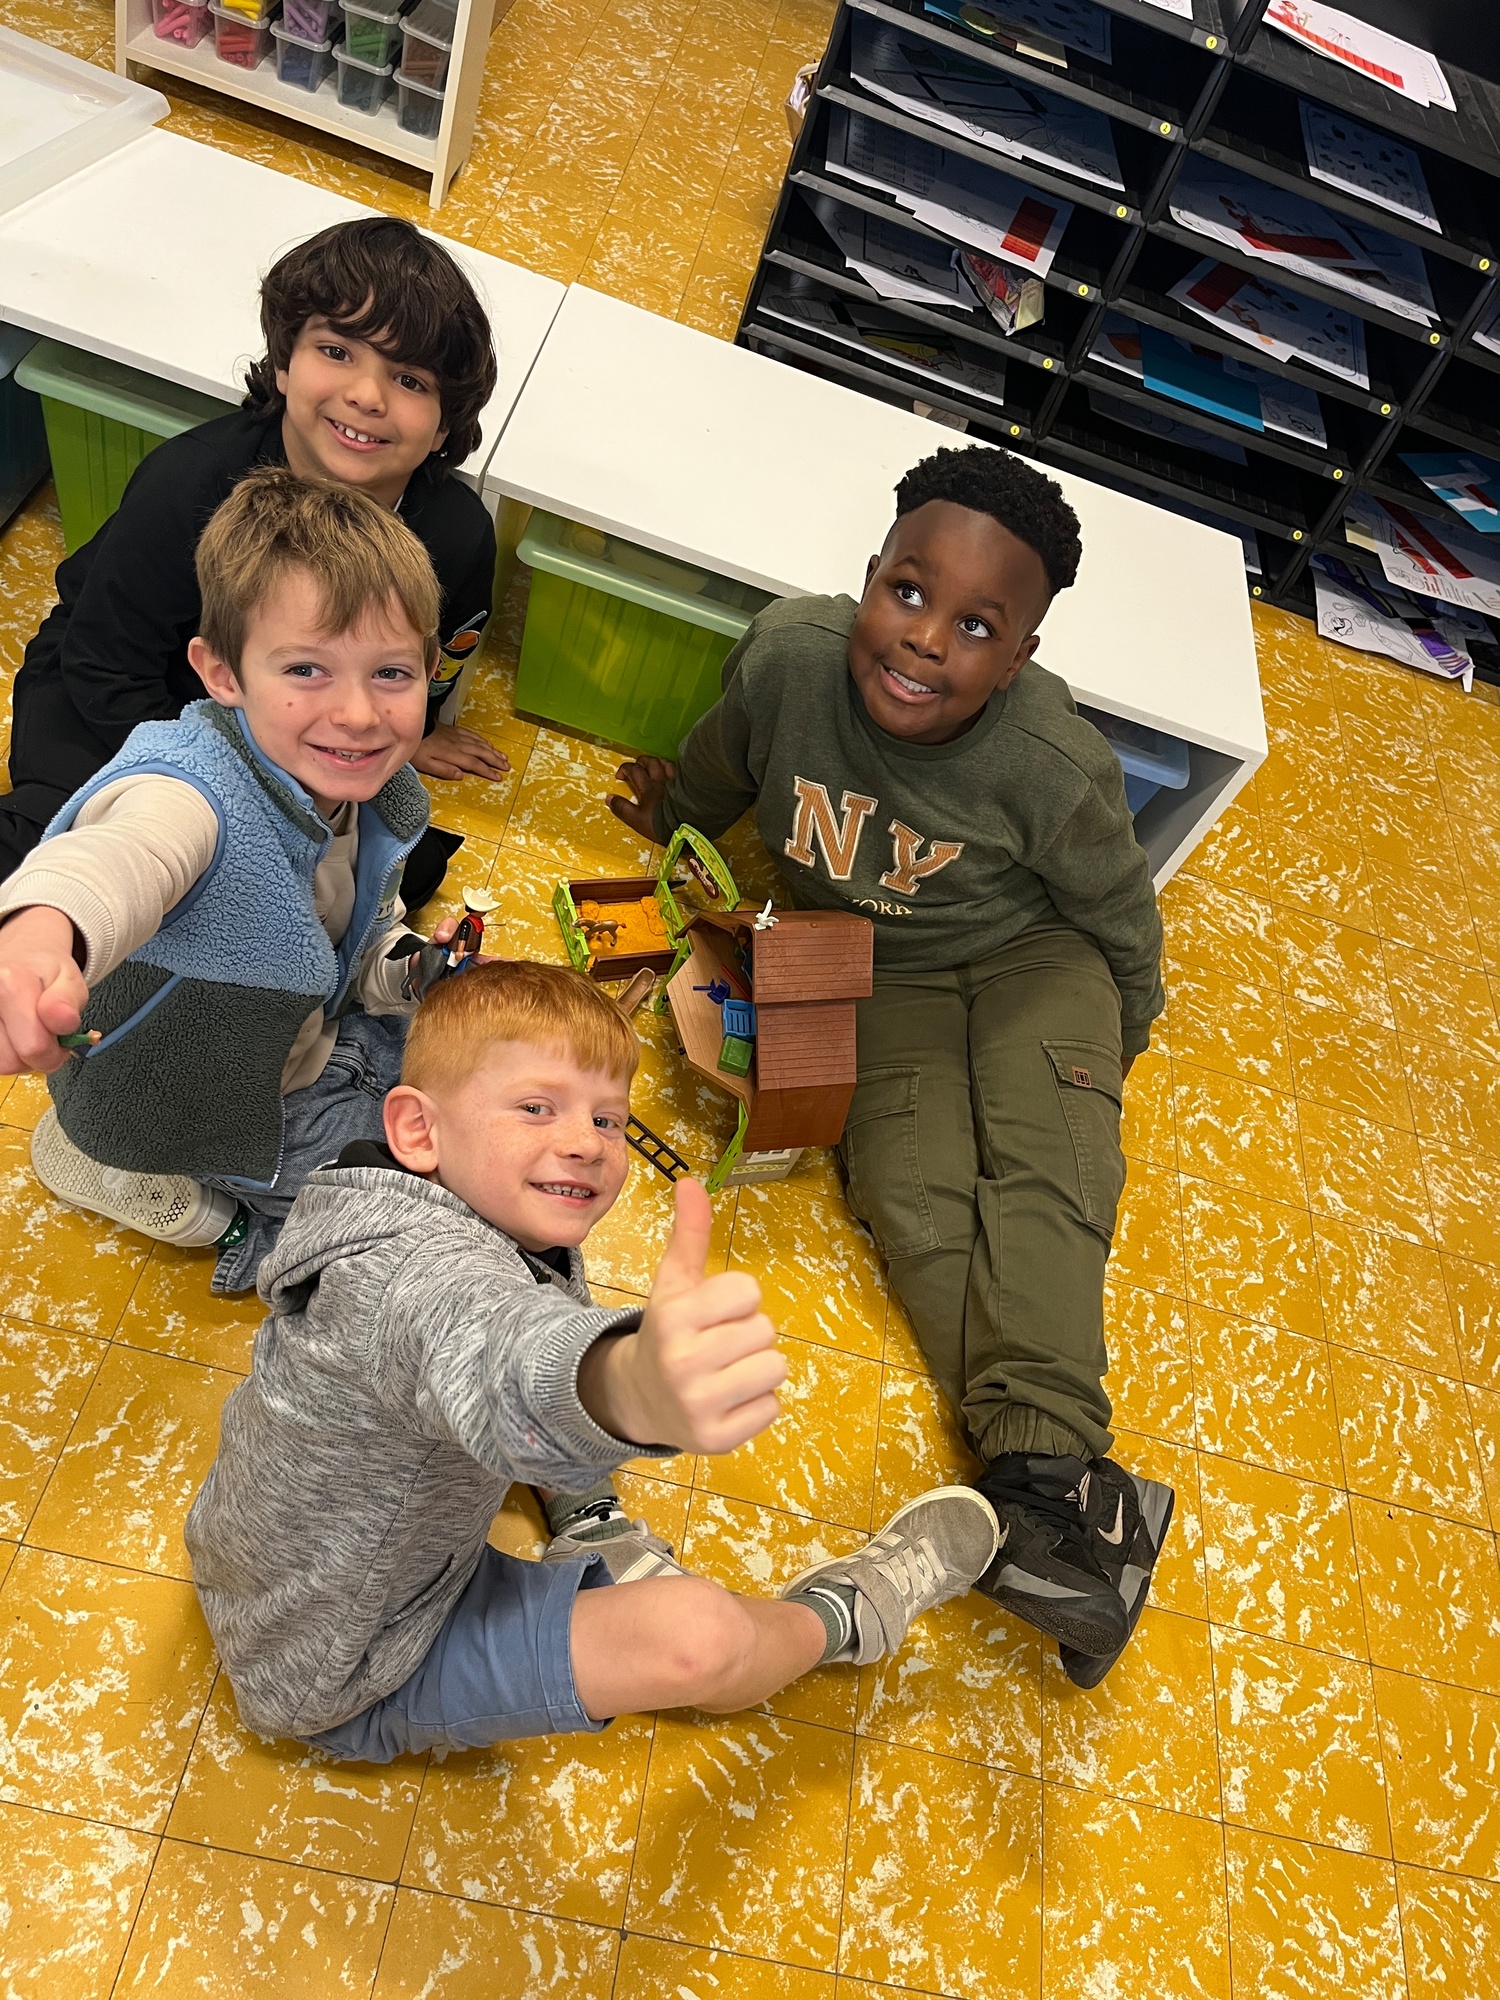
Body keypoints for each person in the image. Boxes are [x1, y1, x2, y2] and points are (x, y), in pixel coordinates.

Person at [606, 445, 1174, 1687]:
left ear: (1018, 657)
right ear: (870, 575)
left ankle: (1047, 1479)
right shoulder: (791, 653)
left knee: (1043, 1171)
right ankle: (1075, 1500)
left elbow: (1122, 916)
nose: (925, 638)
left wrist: (1105, 1056)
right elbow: (725, 757)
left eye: (976, 626)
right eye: (909, 592)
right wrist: (677, 811)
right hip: (884, 969)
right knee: (914, 1198)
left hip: (1040, 958)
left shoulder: (1050, 760)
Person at [182, 959, 1000, 1759]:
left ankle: (585, 1513)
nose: (585, 1143)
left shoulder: (399, 1196)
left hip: (294, 1557)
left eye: (608, 1119)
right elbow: (486, 1345)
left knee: (546, 1358)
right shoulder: (408, 1280)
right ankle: (847, 1613)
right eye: (537, 1107)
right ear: (420, 1130)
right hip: (345, 1662)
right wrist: (625, 1389)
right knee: (700, 1639)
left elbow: (509, 1331)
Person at [0, 468, 474, 1293]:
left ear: (430, 670)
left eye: (391, 674)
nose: (360, 714)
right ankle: (164, 1192)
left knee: (469, 1096)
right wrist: (40, 930)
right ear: (222, 674)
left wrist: (416, 969)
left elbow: (361, 933)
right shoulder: (193, 789)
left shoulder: (374, 795)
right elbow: (124, 856)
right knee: (399, 1220)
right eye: (307, 670)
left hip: (304, 1042)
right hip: (191, 1106)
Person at [0, 214, 509, 910]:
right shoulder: (187, 486)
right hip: (124, 698)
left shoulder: (456, 534)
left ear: (445, 423)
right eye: (336, 350)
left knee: (396, 876)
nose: (367, 395)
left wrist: (414, 727)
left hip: (296, 714)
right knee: (69, 860)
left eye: (410, 379)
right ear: (284, 364)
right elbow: (103, 667)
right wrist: (232, 793)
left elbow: (437, 651)